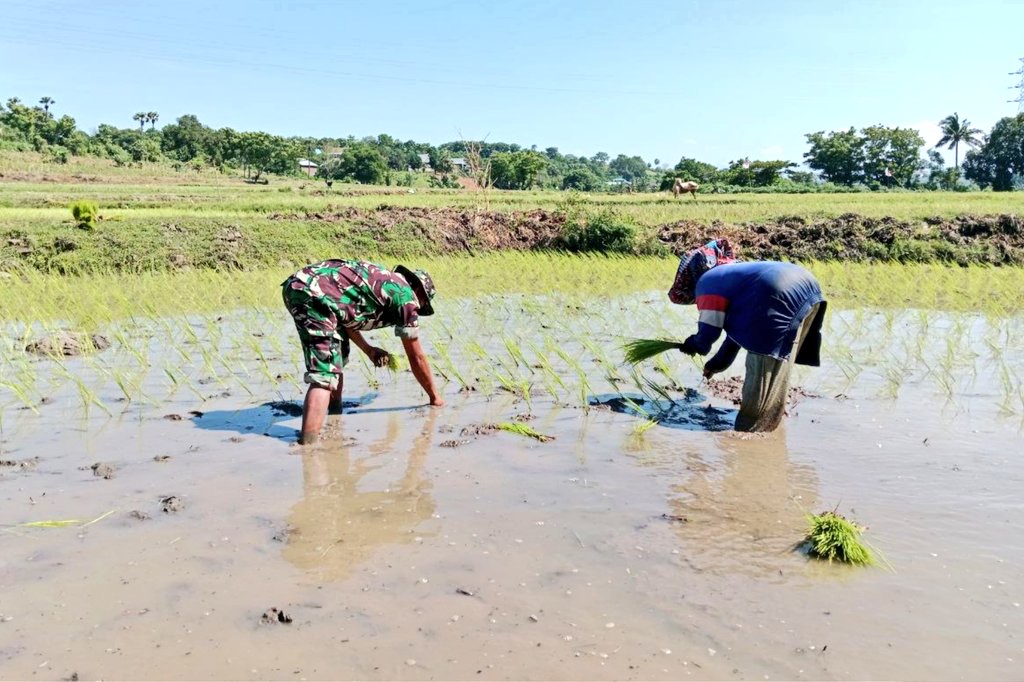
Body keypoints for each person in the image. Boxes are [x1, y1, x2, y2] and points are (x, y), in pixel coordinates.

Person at [668, 238, 827, 432]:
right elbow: (736, 337)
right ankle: (772, 428)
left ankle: (754, 437)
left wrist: (693, 344)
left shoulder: (707, 282)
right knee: (778, 370)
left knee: (761, 382)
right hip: (808, 289)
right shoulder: (734, 275)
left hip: (776, 293)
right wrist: (715, 365)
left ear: (691, 277)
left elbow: (709, 333)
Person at [283, 259, 444, 444]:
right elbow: (416, 357)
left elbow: (346, 317)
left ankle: (334, 415)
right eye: (422, 304)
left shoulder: (386, 280)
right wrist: (435, 397)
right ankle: (308, 448)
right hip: (315, 294)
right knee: (324, 375)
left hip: (298, 287)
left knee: (337, 358)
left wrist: (369, 351)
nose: (418, 309)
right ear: (419, 293)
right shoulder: (405, 296)